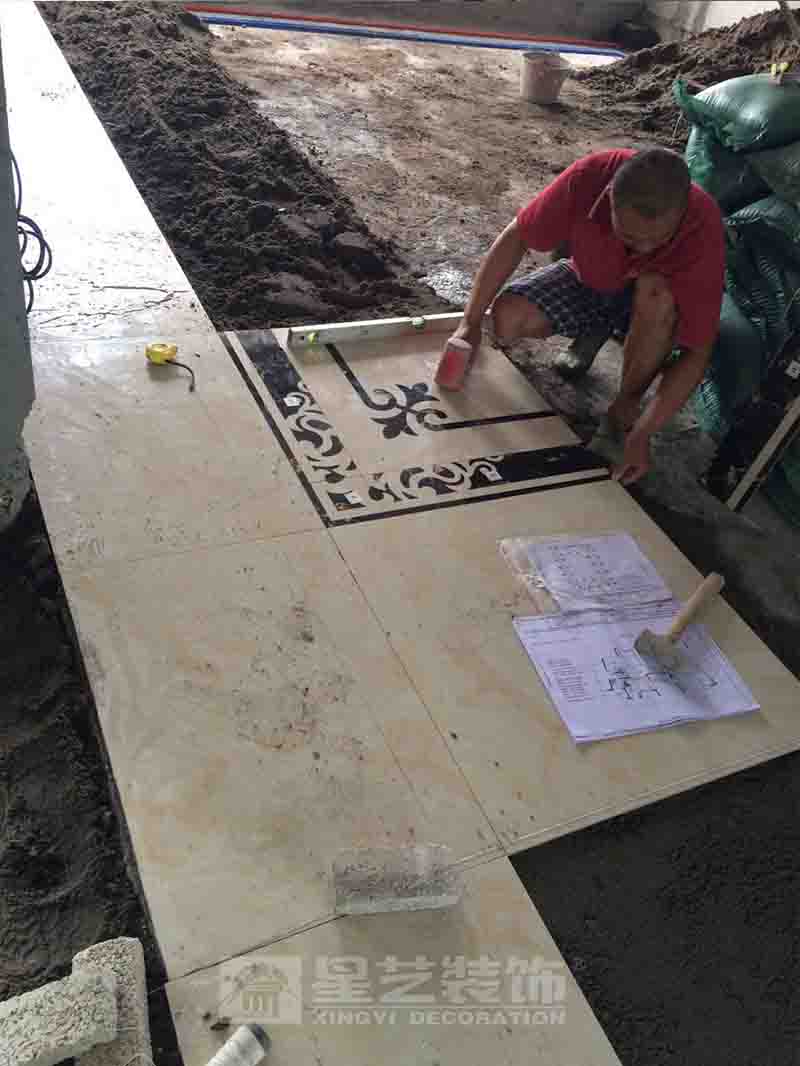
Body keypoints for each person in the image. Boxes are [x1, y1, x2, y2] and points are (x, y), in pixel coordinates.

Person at [452, 148, 725, 485]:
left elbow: (698, 350)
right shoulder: (589, 177)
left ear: (680, 215)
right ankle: (593, 330)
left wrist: (644, 431)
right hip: (591, 281)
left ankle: (623, 409)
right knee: (507, 319)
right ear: (609, 198)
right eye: (630, 235)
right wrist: (470, 322)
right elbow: (518, 235)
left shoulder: (703, 225)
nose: (643, 248)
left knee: (656, 292)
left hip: (649, 312)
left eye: (658, 239)